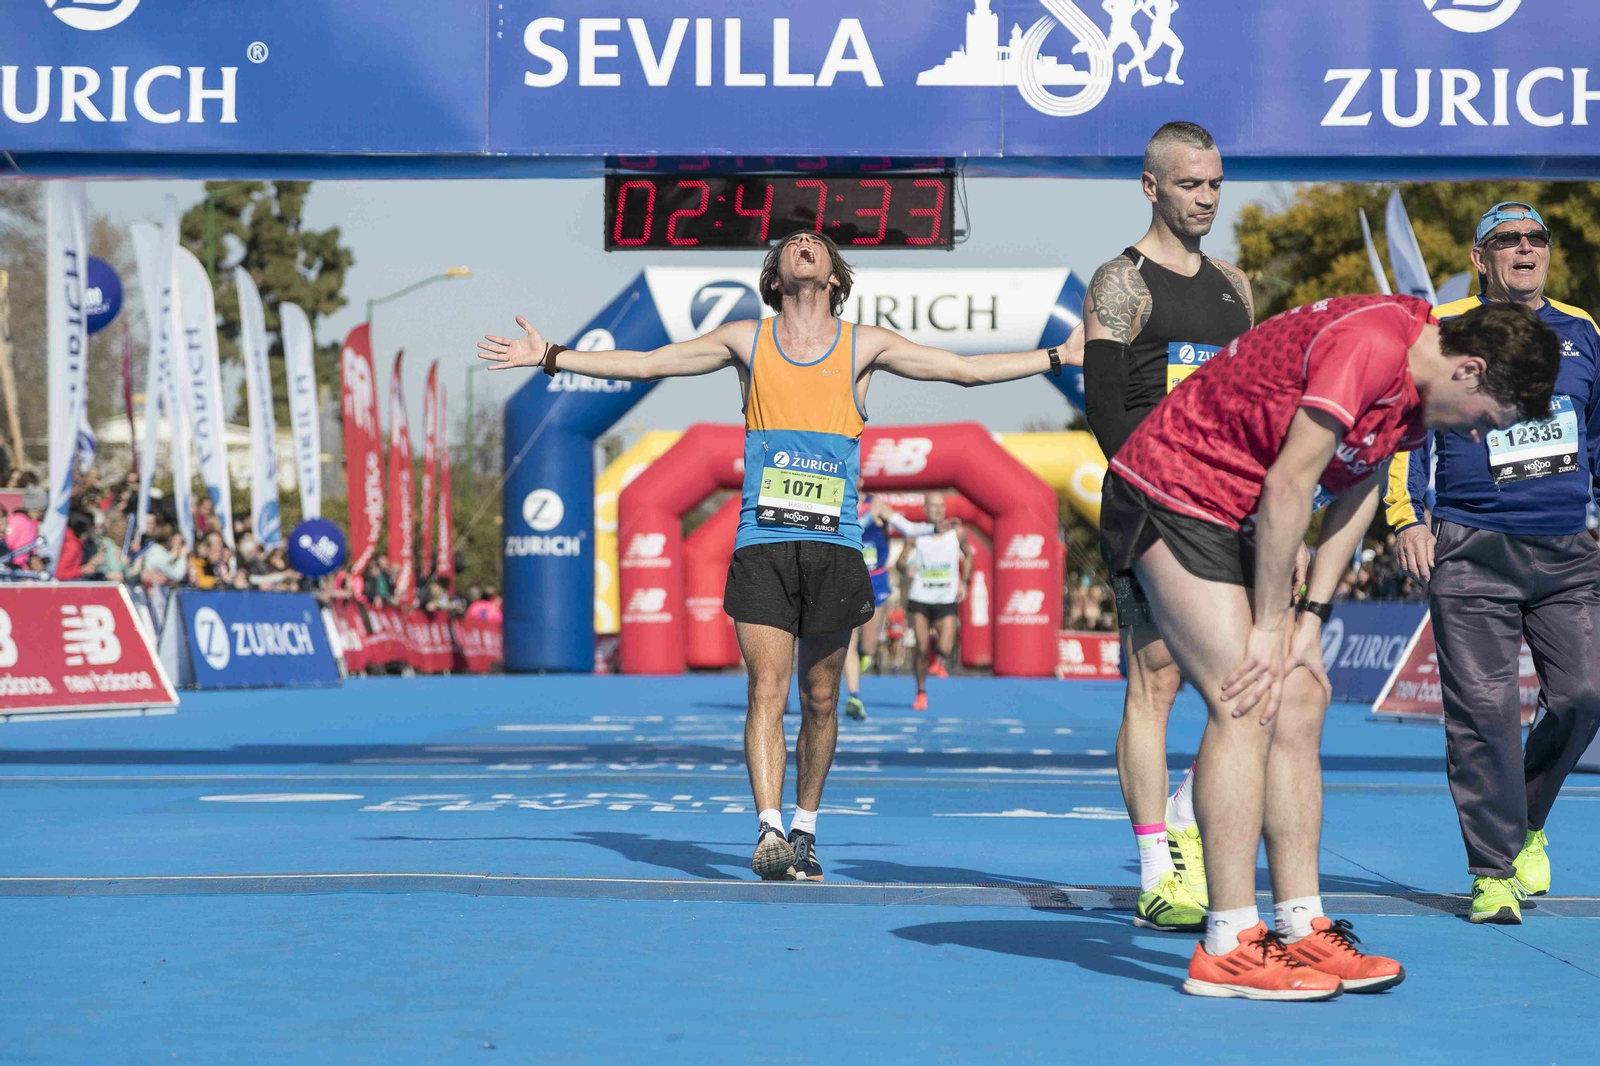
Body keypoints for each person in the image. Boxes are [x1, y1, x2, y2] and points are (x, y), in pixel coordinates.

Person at [479, 229, 1074, 882]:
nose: (804, 243)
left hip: (835, 546)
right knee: (768, 686)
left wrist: (1055, 355)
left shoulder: (864, 345)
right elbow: (651, 364)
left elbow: (963, 371)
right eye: (792, 242)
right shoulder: (746, 339)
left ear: (836, 280)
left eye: (816, 242)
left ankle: (805, 828)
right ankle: (767, 828)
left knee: (821, 699)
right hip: (763, 542)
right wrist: (553, 356)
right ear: (776, 277)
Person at [1104, 291, 1560, 999]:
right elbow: (1293, 480)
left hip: (1239, 509)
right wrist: (1267, 628)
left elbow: (1360, 487)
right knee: (1247, 694)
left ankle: (1300, 925)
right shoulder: (1374, 345)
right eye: (1485, 421)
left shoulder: (1418, 392)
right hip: (1171, 489)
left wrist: (1312, 615)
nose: (1474, 436)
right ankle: (1226, 942)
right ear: (1470, 371)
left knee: (1303, 694)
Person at [1385, 202, 1600, 925]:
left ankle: (1527, 817)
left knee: (1584, 697)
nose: (1525, 249)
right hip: (1473, 547)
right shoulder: (1440, 327)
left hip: (1568, 550)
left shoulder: (1583, 331)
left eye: (1535, 238)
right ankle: (1494, 869)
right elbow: (1404, 425)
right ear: (1481, 259)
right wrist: (1407, 515)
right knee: (1483, 714)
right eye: (1506, 240)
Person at [1081, 121, 1257, 932]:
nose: (1208, 199)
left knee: (1244, 687)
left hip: (1229, 507)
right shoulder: (1120, 282)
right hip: (1151, 505)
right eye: (1192, 184)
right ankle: (1158, 867)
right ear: (1152, 186)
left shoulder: (1235, 285)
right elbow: (1108, 411)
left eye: (1216, 184)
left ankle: (1189, 804)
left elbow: (1251, 400)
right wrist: (1164, 484)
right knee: (1152, 683)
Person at [843, 491, 940, 721]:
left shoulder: (876, 505)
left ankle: (862, 655)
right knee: (848, 640)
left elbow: (907, 528)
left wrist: (933, 528)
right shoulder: (837, 502)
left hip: (875, 581)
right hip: (847, 579)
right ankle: (854, 696)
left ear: (861, 481)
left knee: (868, 646)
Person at [898, 492, 972, 712]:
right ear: (925, 509)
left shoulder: (956, 533)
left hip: (945, 598)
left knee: (946, 648)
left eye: (942, 506)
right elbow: (900, 562)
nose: (939, 510)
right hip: (920, 597)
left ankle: (935, 650)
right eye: (934, 506)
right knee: (920, 647)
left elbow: (968, 555)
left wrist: (964, 582)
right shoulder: (916, 534)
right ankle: (921, 692)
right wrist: (906, 568)